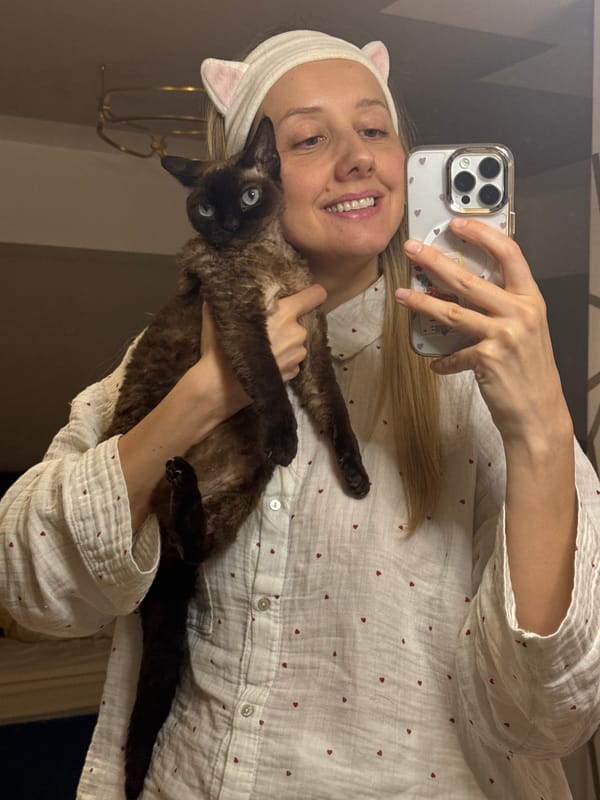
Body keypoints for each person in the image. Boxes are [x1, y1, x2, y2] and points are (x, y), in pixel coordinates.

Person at [1, 28, 599, 800]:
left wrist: (543, 429)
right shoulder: (164, 347)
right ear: (251, 173)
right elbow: (25, 585)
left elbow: (548, 717)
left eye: (376, 129)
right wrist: (205, 395)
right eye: (311, 137)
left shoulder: (478, 379)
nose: (358, 156)